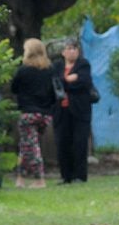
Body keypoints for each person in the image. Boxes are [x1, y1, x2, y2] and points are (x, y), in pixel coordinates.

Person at [11, 38, 57, 189]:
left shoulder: (23, 70)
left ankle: (39, 179)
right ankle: (20, 178)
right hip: (45, 114)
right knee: (27, 146)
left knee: (31, 147)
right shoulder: (50, 69)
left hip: (28, 114)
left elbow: (14, 88)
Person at [52, 38, 94, 183]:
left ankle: (80, 175)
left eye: (75, 48)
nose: (72, 51)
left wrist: (67, 82)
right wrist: (69, 79)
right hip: (61, 111)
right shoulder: (57, 66)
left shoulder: (83, 64)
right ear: (63, 52)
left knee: (80, 142)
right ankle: (66, 176)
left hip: (79, 110)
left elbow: (84, 83)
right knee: (63, 142)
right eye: (69, 48)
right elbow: (55, 83)